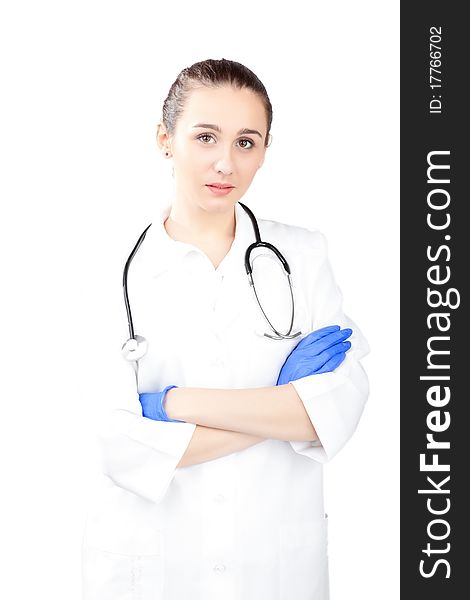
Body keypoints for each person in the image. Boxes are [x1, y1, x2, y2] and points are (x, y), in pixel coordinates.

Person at [81, 58, 370, 600]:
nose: (225, 163)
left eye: (246, 142)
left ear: (265, 150)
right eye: (205, 137)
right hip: (151, 566)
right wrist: (281, 409)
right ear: (165, 140)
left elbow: (339, 409)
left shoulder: (303, 256)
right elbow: (116, 445)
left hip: (274, 565)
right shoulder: (108, 268)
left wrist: (172, 404)